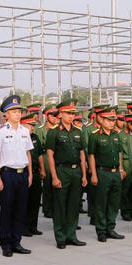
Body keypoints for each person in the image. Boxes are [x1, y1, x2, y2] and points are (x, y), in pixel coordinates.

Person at [0, 95, 34, 256]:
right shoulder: (0, 132)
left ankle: (17, 241)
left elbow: (28, 153)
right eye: (13, 111)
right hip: (7, 174)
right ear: (6, 114)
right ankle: (6, 243)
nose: (17, 114)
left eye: (19, 111)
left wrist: (30, 174)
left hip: (22, 174)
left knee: (20, 210)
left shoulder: (25, 131)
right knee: (7, 210)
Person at [45, 100, 87, 249]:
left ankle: (71, 235)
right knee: (60, 205)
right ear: (61, 114)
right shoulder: (54, 132)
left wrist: (84, 174)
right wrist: (54, 176)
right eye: (68, 113)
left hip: (76, 171)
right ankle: (60, 237)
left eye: (73, 114)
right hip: (61, 170)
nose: (71, 116)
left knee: (74, 205)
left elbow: (82, 154)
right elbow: (50, 155)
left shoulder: (78, 131)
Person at [88, 107, 125, 242]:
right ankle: (101, 231)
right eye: (109, 120)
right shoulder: (95, 136)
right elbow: (91, 156)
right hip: (102, 172)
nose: (111, 123)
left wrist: (121, 170)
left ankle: (111, 228)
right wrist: (93, 174)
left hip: (115, 173)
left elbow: (119, 154)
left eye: (113, 120)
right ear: (102, 120)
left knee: (114, 203)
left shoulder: (116, 135)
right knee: (101, 203)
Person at [22, 111, 46, 237]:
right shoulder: (20, 137)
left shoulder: (35, 137)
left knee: (35, 201)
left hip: (36, 172)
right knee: (25, 201)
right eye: (30, 125)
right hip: (25, 173)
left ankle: (33, 226)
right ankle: (24, 227)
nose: (33, 127)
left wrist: (42, 169)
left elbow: (40, 154)